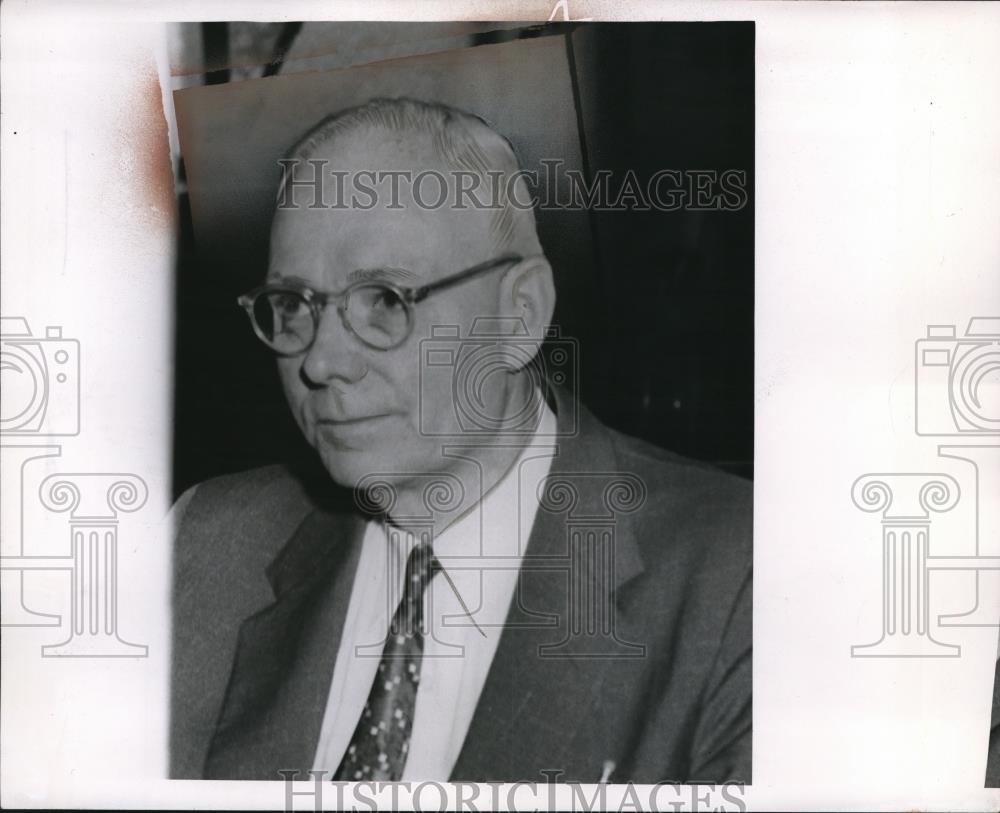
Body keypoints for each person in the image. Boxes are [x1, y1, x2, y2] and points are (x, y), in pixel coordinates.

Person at [170, 97, 752, 784]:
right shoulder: (201, 545)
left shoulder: (735, 580)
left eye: (384, 299)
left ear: (521, 315)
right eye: (294, 304)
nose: (321, 362)